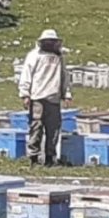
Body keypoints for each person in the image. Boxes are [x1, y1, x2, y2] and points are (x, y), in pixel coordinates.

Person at [18, 29, 72, 166]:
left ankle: (50, 158)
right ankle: (33, 157)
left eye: (52, 42)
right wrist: (25, 94)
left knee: (53, 130)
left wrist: (66, 94)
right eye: (48, 41)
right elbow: (26, 75)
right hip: (37, 97)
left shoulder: (59, 57)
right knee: (36, 127)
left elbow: (64, 76)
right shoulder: (34, 55)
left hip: (54, 98)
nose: (50, 44)